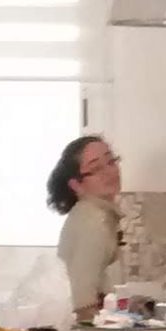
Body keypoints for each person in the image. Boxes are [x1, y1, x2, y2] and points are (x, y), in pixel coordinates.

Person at [46, 133, 124, 317]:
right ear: (76, 185)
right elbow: (83, 301)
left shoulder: (94, 214)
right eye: (96, 168)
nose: (109, 172)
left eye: (111, 161)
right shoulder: (94, 221)